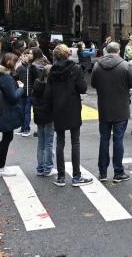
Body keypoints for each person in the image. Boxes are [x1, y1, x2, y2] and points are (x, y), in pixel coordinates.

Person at [45, 43, 92, 187]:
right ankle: (76, 176)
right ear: (68, 54)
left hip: (58, 108)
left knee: (60, 142)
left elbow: (49, 92)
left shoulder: (52, 71)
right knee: (75, 142)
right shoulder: (76, 69)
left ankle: (60, 177)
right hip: (72, 107)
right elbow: (83, 88)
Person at [91, 41, 132, 182]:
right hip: (121, 108)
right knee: (118, 140)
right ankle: (118, 172)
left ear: (106, 50)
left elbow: (93, 84)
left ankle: (103, 172)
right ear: (118, 51)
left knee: (104, 140)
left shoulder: (97, 65)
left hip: (104, 108)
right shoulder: (125, 65)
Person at [0, 52, 24, 177]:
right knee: (7, 138)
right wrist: (21, 88)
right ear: (12, 63)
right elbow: (13, 97)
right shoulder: (7, 78)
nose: (19, 64)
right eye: (18, 62)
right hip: (7, 113)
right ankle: (0, 166)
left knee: (6, 138)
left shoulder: (3, 76)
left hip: (3, 112)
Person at [32, 53, 55, 177]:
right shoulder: (50, 87)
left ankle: (40, 168)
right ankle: (48, 168)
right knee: (49, 143)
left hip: (38, 116)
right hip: (49, 117)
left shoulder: (37, 84)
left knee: (41, 143)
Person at [15, 49, 35, 137]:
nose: (25, 57)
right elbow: (15, 77)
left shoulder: (31, 66)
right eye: (24, 56)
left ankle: (27, 129)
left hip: (29, 93)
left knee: (27, 112)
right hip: (21, 92)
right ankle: (23, 128)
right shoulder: (20, 67)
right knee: (21, 111)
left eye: (27, 56)